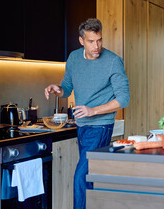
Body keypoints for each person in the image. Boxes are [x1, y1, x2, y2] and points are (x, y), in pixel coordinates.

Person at [44, 18, 130, 209]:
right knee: (91, 178)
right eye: (91, 41)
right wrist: (57, 89)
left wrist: (93, 110)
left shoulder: (113, 61)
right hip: (82, 126)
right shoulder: (74, 58)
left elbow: (123, 98)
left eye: (99, 40)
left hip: (101, 126)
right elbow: (67, 86)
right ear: (81, 41)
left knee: (81, 178)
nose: (96, 45)